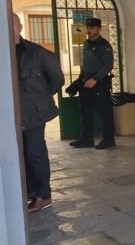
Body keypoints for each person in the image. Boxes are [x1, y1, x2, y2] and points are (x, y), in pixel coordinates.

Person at [12, 13, 64, 213]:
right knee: (21, 153)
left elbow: (57, 79)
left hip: (34, 113)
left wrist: (39, 99)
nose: (10, 28)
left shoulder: (37, 53)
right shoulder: (1, 51)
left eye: (13, 24)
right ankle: (30, 191)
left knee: (35, 152)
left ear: (20, 27)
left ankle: (44, 195)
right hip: (13, 113)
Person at [69, 17, 116, 149]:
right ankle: (86, 139)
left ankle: (108, 139)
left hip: (99, 82)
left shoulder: (104, 45)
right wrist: (80, 80)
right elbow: (84, 64)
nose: (89, 30)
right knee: (85, 111)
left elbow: (108, 65)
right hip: (86, 81)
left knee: (104, 112)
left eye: (92, 28)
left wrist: (95, 79)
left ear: (99, 29)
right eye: (88, 27)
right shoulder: (85, 43)